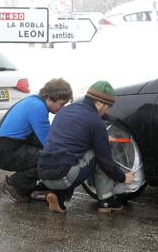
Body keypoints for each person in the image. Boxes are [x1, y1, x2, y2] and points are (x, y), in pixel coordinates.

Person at [37, 80, 135, 213]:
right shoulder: (95, 121)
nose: (108, 110)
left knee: (70, 155)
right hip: (63, 176)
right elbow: (105, 162)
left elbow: (71, 140)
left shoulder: (66, 110)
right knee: (99, 154)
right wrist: (123, 177)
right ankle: (106, 201)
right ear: (99, 103)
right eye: (108, 106)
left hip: (43, 173)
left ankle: (58, 196)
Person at [0, 78, 73, 203]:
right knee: (48, 158)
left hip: (6, 146)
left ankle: (32, 187)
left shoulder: (34, 100)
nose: (62, 108)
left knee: (48, 154)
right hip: (5, 152)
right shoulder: (38, 108)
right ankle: (14, 185)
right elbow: (48, 143)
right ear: (51, 98)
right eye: (61, 104)